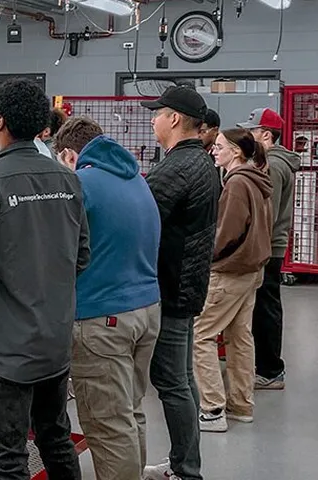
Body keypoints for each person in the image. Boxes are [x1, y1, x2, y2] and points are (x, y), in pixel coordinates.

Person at [0, 77, 88, 480]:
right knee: (56, 438)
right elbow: (81, 255)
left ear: (2, 122)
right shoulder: (68, 179)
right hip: (55, 339)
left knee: (8, 456)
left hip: (6, 349)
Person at [54, 117, 161, 480]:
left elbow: (60, 253)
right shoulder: (136, 180)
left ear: (69, 154)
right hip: (145, 310)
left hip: (103, 318)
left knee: (107, 426)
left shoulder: (81, 184)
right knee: (130, 413)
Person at [141, 86, 220, 480]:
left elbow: (140, 217)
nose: (153, 119)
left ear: (174, 119)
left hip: (171, 288)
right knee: (182, 381)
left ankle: (186, 471)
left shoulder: (176, 168)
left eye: (157, 113)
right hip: (189, 285)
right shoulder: (202, 162)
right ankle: (183, 465)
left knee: (171, 383)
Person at [194, 128, 273, 433]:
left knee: (201, 335)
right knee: (239, 337)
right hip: (252, 271)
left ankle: (212, 409)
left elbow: (227, 233)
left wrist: (206, 255)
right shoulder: (257, 179)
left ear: (237, 152)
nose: (214, 151)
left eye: (220, 147)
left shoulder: (237, 183)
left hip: (229, 271)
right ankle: (241, 405)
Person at [238, 108, 300, 390]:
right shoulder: (274, 162)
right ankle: (267, 366)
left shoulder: (272, 166)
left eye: (252, 131)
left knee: (265, 308)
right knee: (265, 306)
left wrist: (251, 247)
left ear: (266, 134)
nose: (248, 136)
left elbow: (267, 213)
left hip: (267, 247)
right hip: (271, 245)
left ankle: (270, 369)